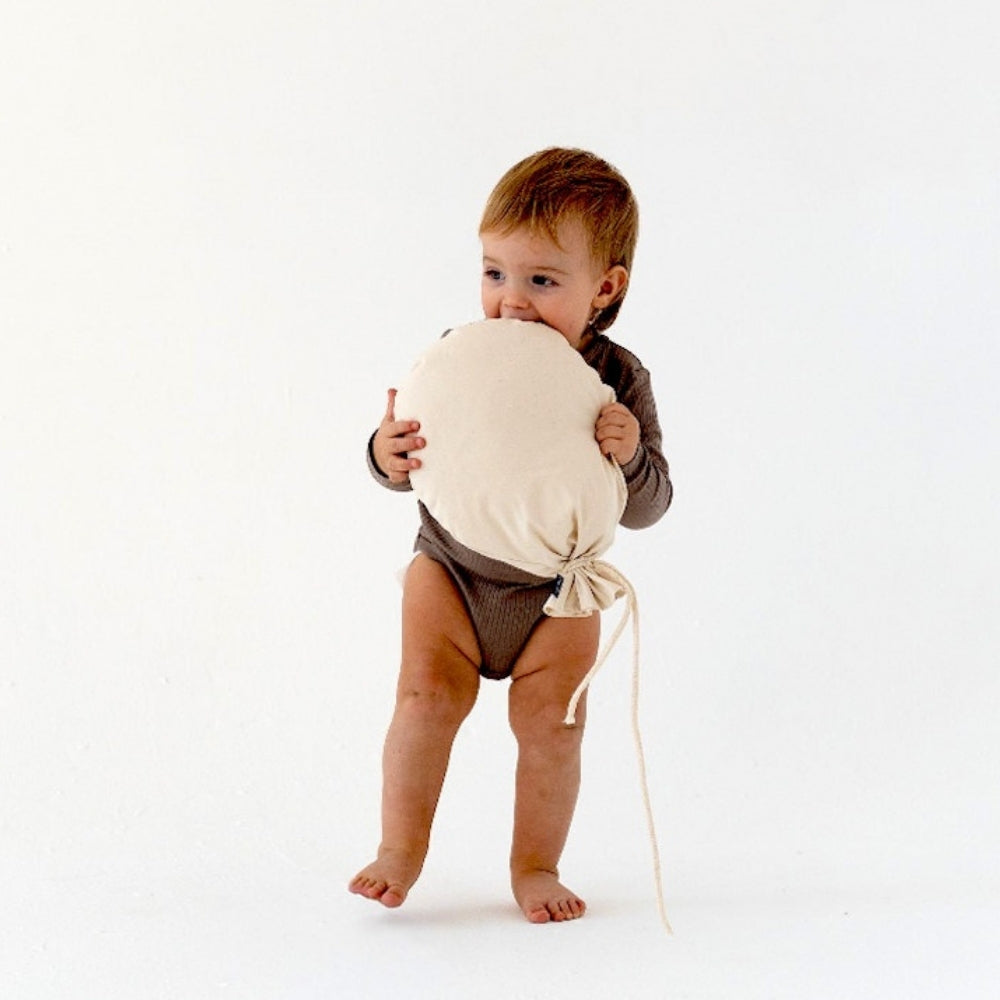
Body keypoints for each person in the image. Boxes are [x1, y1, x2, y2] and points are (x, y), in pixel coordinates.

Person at [349, 147, 672, 923]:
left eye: (542, 281)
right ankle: (399, 849)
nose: (511, 302)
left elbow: (649, 507)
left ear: (605, 288)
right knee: (424, 700)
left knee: (554, 728)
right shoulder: (462, 354)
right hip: (452, 574)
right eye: (494, 273)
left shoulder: (619, 378)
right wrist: (385, 455)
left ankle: (536, 864)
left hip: (559, 590)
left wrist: (630, 454)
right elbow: (426, 467)